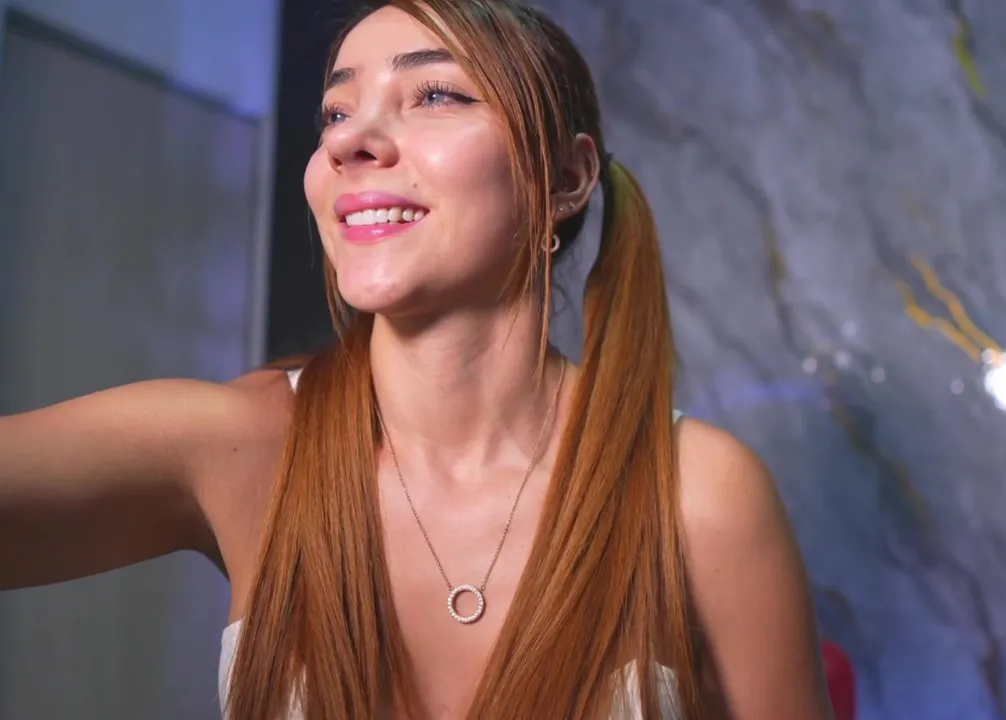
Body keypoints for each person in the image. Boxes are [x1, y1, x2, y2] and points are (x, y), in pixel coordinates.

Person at [0, 1, 831, 718]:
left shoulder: (698, 496)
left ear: (566, 178)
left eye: (435, 94)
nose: (349, 141)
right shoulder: (241, 446)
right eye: (334, 112)